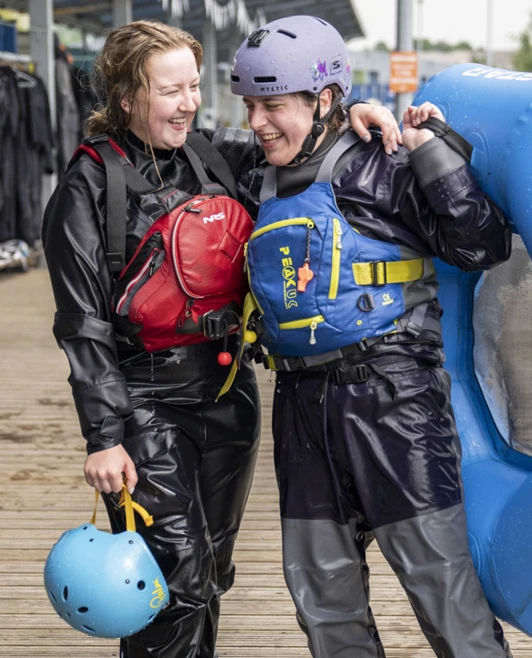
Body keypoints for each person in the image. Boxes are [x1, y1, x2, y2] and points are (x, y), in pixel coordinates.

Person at [41, 19, 401, 658]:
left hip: (230, 395)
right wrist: (103, 437)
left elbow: (295, 146)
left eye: (194, 87)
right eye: (170, 91)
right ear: (126, 96)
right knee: (171, 575)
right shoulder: (87, 186)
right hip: (144, 405)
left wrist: (351, 115)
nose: (189, 103)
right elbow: (81, 322)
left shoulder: (212, 157)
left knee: (207, 572)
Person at [230, 15, 513, 658]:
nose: (257, 123)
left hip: (395, 402)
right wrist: (361, 104)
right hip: (301, 408)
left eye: (272, 105)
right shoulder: (254, 175)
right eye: (249, 105)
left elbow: (482, 244)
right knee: (322, 597)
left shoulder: (383, 168)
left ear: (323, 99)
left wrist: (430, 149)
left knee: (441, 587)